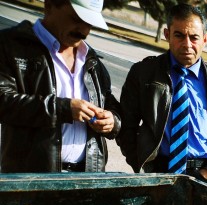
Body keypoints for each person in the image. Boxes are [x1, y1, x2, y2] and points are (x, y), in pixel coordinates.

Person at [118, 3, 207, 185]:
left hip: (203, 177)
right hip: (156, 173)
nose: (187, 44)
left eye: (194, 37)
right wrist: (142, 164)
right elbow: (126, 125)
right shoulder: (144, 73)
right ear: (167, 35)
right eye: (179, 35)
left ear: (205, 40)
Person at [0, 0, 120, 173]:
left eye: (90, 23)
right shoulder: (11, 45)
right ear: (49, 5)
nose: (84, 30)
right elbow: (3, 102)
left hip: (85, 182)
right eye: (76, 18)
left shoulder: (91, 60)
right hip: (31, 181)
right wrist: (62, 109)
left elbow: (110, 105)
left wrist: (111, 121)